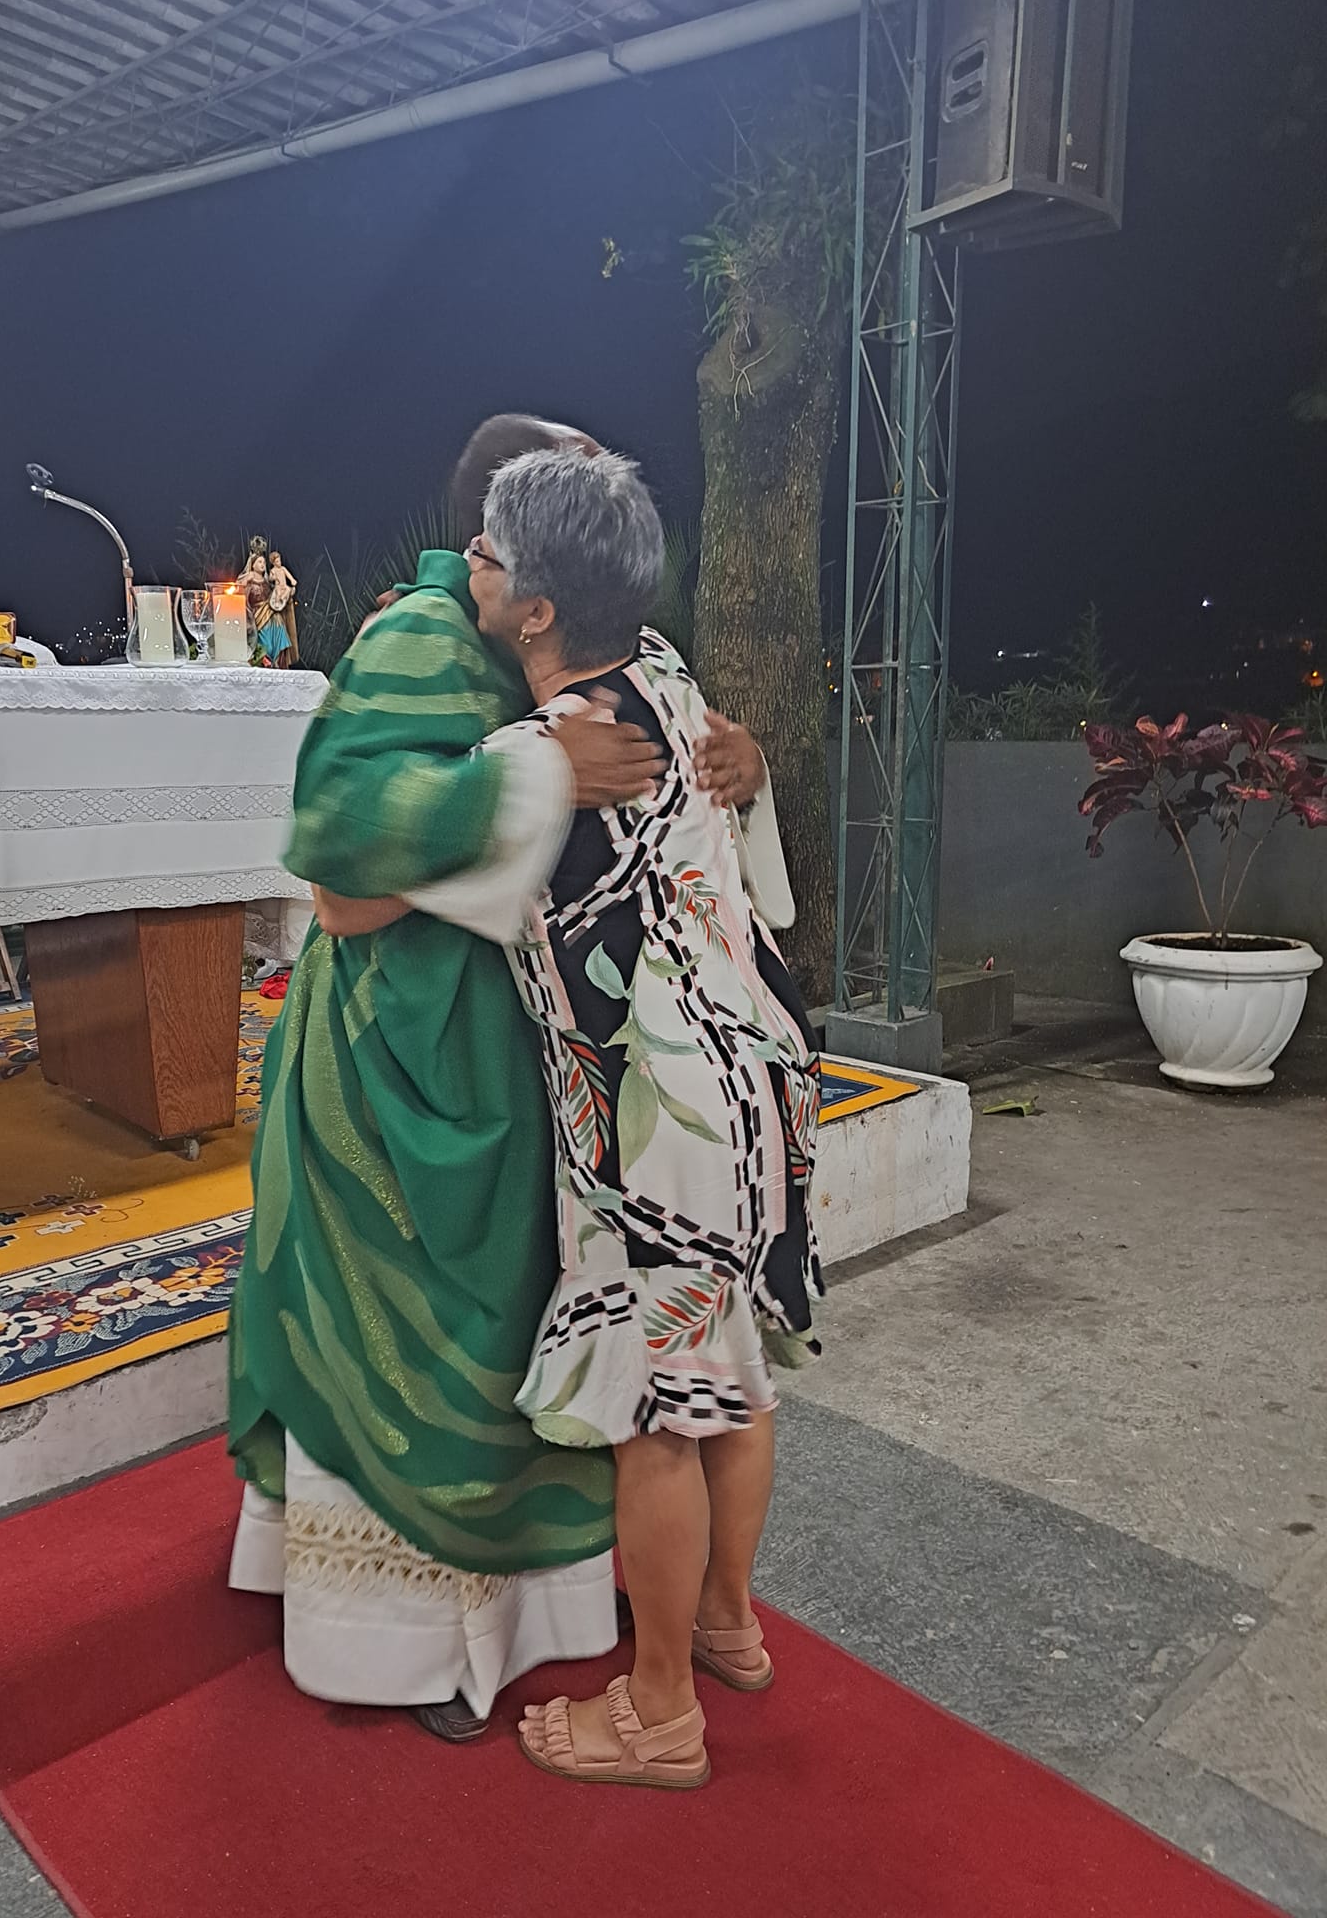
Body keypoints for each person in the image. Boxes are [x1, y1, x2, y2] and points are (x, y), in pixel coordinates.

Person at [227, 415, 770, 1745]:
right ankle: (410, 1648)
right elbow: (341, 875)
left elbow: (691, 793)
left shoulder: (614, 648)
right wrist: (537, 777)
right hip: (407, 1068)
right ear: (492, 542)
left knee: (611, 1363)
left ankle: (608, 1631)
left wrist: (745, 768)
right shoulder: (416, 640)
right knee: (524, 1364)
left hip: (576, 1073)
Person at [393, 447, 823, 1790]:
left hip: (656, 1120)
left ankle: (659, 1712)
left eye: (484, 551)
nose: (466, 563)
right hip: (756, 1077)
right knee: (732, 1373)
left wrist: (497, 786)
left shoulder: (535, 758)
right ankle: (726, 1625)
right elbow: (730, 802)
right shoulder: (672, 679)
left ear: (532, 610)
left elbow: (362, 891)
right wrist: (753, 767)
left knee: (658, 1415)